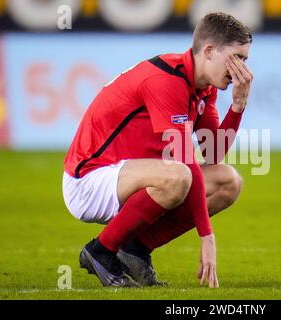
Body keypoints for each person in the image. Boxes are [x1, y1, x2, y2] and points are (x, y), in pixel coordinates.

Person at [62, 12, 253, 288]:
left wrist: (238, 106)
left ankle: (135, 248)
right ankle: (100, 251)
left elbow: (212, 154)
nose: (242, 70)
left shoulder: (204, 88)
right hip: (89, 180)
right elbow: (186, 163)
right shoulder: (167, 79)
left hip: (130, 176)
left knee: (228, 181)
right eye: (238, 58)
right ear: (209, 51)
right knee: (179, 176)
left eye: (245, 60)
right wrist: (206, 236)